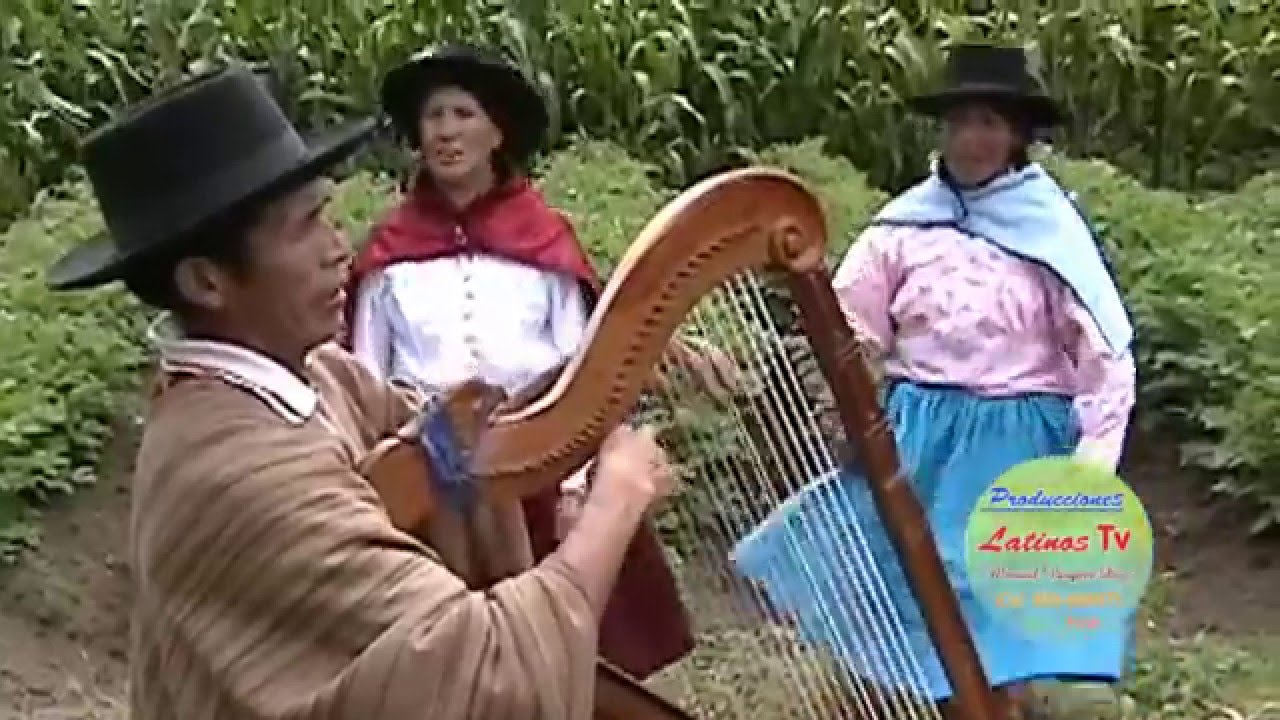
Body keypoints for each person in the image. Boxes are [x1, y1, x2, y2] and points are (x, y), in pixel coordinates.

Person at [45, 62, 679, 720]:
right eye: (307, 225)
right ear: (208, 283)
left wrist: (551, 415)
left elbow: (445, 427)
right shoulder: (235, 470)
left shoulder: (312, 376)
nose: (338, 248)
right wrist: (615, 502)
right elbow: (492, 675)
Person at [731, 44, 1137, 718]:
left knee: (991, 616)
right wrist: (850, 374)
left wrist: (1090, 471)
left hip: (1014, 445)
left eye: (990, 123)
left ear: (1015, 137)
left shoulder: (1050, 233)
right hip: (916, 440)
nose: (973, 138)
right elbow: (849, 324)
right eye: (961, 122)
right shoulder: (904, 227)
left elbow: (1104, 355)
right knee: (894, 594)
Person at [342, 44, 715, 679]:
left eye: (463, 112)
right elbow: (363, 379)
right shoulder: (387, 253)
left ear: (497, 132)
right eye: (433, 116)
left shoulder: (545, 240)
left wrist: (577, 489)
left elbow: (584, 375)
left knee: (571, 665)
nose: (446, 131)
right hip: (426, 490)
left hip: (542, 474)